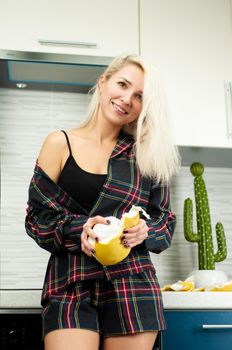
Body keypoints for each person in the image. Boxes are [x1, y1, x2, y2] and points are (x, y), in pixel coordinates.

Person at [25, 53, 180, 350]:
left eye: (139, 96)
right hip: (70, 280)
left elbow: (165, 223)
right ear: (103, 83)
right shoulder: (59, 143)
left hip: (133, 282)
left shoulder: (147, 155)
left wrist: (146, 232)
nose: (126, 99)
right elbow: (36, 219)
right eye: (122, 85)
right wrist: (79, 229)